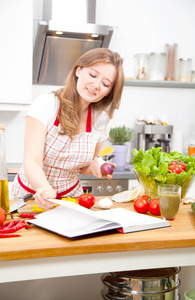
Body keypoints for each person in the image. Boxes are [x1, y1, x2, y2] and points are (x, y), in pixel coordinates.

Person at [11, 48, 124, 209]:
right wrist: (45, 189)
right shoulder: (46, 104)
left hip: (71, 200)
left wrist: (94, 168)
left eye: (105, 84)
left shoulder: (102, 120)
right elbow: (31, 161)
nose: (96, 85)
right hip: (31, 198)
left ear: (109, 92)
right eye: (93, 75)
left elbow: (84, 167)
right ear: (78, 70)